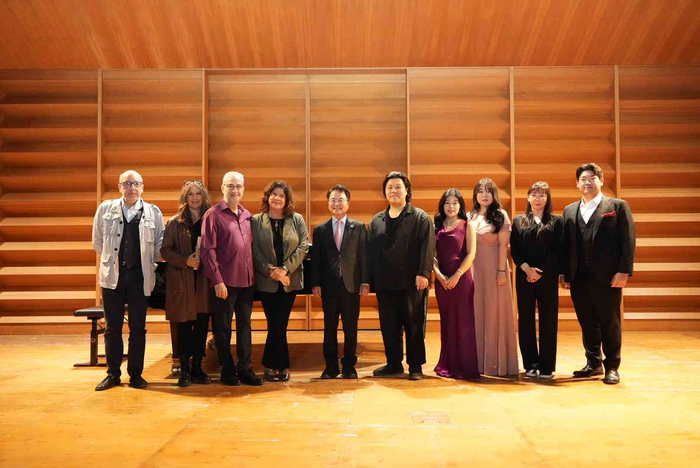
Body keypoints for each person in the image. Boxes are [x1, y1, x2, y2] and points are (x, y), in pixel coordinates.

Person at [562, 163, 635, 385]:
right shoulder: (569, 210)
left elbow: (628, 241)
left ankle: (612, 366)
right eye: (583, 179)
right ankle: (593, 363)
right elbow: (566, 246)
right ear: (577, 183)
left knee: (609, 322)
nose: (587, 182)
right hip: (578, 277)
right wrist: (565, 274)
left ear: (601, 181)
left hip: (608, 277)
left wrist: (624, 271)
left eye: (592, 178)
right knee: (587, 322)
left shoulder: (618, 206)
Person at [92, 170, 164, 391]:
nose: (131, 187)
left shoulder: (153, 212)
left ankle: (135, 374)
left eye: (136, 184)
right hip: (112, 277)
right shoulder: (105, 209)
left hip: (140, 278)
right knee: (112, 328)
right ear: (119, 187)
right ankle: (113, 374)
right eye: (127, 183)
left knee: (138, 328)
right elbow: (97, 242)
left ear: (142, 187)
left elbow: (159, 245)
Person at [368, 171, 435, 381]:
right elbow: (370, 252)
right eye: (389, 187)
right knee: (389, 326)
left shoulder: (420, 217)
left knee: (414, 325)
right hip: (385, 283)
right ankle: (393, 364)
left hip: (412, 282)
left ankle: (415, 366)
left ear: (407, 191)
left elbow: (428, 247)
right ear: (384, 192)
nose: (394, 191)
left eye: (398, 187)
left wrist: (424, 273)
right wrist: (370, 280)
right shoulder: (377, 220)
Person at [200, 172, 263, 387]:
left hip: (247, 281)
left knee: (245, 326)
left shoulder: (247, 215)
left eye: (238, 186)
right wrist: (217, 280)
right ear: (222, 188)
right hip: (224, 283)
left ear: (243, 189)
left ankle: (244, 368)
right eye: (230, 186)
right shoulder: (212, 215)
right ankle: (227, 370)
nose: (235, 190)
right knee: (223, 328)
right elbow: (208, 250)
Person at [251, 181, 309, 382]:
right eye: (273, 194)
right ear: (267, 197)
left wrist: (285, 269)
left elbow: (303, 246)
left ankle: (271, 365)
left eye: (281, 195)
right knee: (275, 323)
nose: (277, 198)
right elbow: (254, 250)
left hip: (288, 280)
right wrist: (271, 271)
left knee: (280, 323)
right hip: (266, 281)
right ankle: (281, 365)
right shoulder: (256, 220)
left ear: (287, 200)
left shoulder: (297, 219)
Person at [310, 184, 370, 379]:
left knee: (350, 327)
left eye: (341, 200)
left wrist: (365, 281)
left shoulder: (359, 227)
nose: (337, 204)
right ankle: (330, 367)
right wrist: (316, 283)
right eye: (333, 200)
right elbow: (316, 260)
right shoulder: (320, 230)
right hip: (328, 286)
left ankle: (349, 366)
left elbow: (364, 256)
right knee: (329, 327)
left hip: (351, 285)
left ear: (348, 203)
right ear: (328, 203)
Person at [161, 180, 213, 387]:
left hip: (203, 282)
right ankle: (184, 370)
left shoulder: (210, 220)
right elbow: (165, 251)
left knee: (201, 327)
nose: (194, 198)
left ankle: (197, 368)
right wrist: (186, 261)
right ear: (185, 197)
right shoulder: (174, 222)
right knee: (183, 328)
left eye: (198, 193)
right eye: (190, 194)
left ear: (203, 196)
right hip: (182, 281)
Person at [511, 181, 564, 379]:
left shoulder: (557, 222)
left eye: (542, 195)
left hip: (548, 277)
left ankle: (547, 366)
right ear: (528, 197)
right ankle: (530, 364)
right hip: (524, 276)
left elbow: (559, 250)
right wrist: (527, 269)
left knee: (549, 320)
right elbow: (515, 250)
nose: (538, 198)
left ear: (548, 199)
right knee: (526, 320)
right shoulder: (518, 221)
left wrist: (540, 272)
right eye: (534, 194)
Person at [468, 178, 519, 376]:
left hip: (494, 268)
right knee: (476, 311)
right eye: (480, 191)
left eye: (488, 191)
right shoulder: (469, 216)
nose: (484, 194)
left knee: (494, 311)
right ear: (475, 195)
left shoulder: (501, 215)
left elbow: (503, 246)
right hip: (473, 269)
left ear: (494, 194)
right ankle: (477, 363)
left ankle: (496, 363)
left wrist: (501, 271)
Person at [432, 188, 480, 379]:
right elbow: (432, 256)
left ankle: (465, 366)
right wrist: (439, 276)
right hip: (442, 282)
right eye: (447, 203)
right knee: (447, 322)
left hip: (462, 280)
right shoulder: (435, 226)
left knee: (464, 322)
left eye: (455, 203)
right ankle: (447, 364)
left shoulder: (468, 225)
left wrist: (457, 275)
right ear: (442, 205)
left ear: (460, 205)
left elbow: (471, 254)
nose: (451, 206)